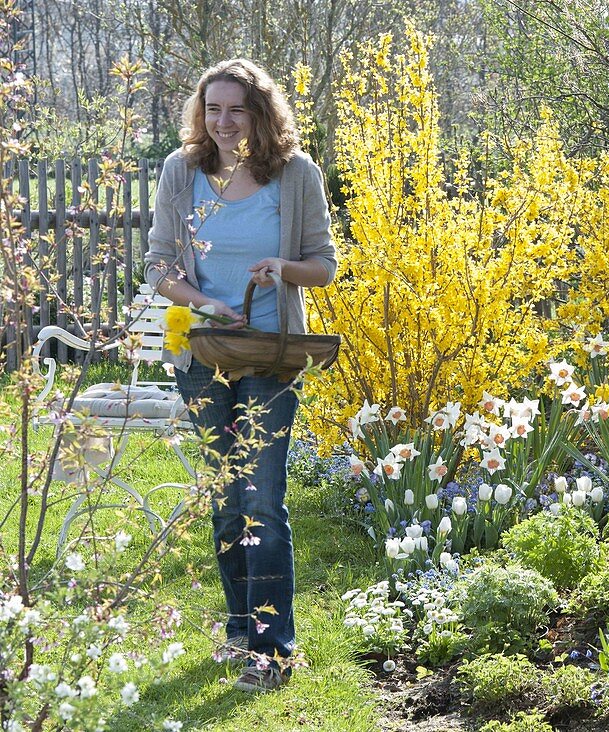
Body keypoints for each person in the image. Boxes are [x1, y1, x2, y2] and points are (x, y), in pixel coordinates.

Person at [144, 58, 337, 693]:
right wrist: (202, 302)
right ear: (201, 114)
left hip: (271, 354)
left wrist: (280, 267)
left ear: (261, 113)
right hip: (203, 353)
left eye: (238, 109)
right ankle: (238, 631)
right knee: (227, 501)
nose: (224, 123)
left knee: (262, 498)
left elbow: (324, 266)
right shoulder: (182, 172)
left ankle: (274, 649)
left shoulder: (295, 175)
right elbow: (159, 267)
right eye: (214, 110)